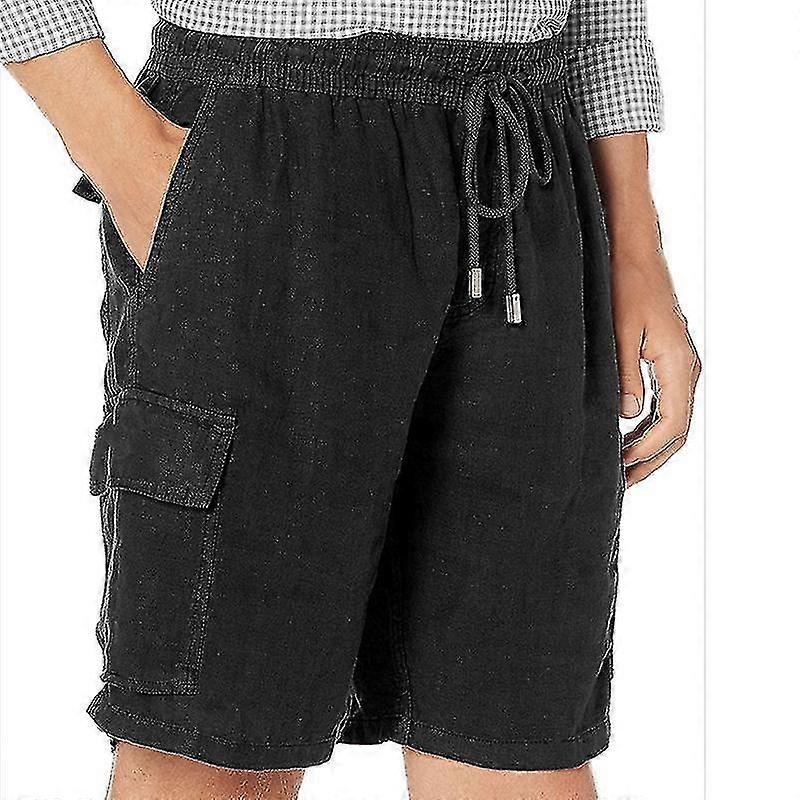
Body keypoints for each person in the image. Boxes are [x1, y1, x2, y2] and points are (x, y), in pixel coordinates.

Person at [0, 0, 700, 797]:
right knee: (215, 732)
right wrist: (123, 154)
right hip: (269, 138)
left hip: (523, 168)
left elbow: (606, 15)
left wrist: (636, 246)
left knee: (512, 729)